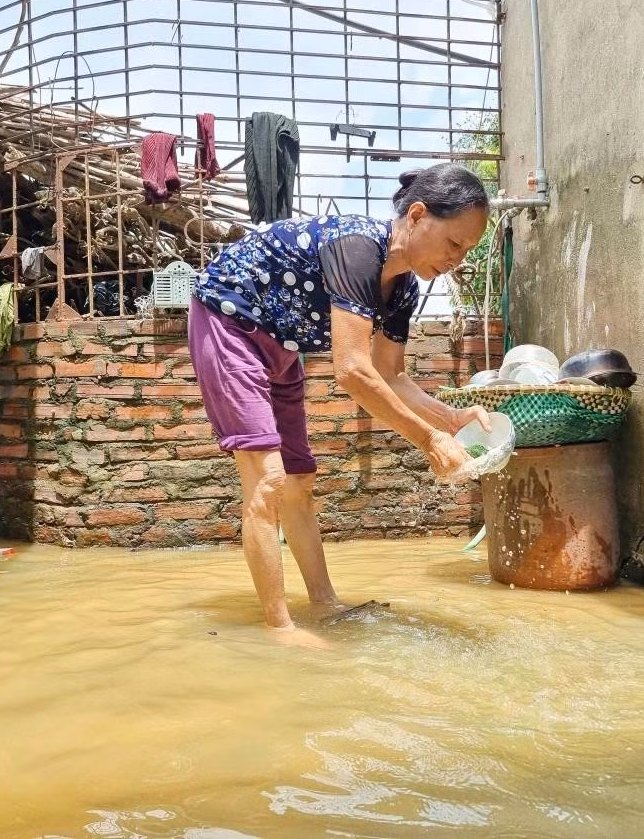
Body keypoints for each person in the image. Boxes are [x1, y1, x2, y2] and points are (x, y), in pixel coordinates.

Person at [188, 162, 492, 642]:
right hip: (229, 322)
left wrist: (451, 418)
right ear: (416, 216)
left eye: (467, 251)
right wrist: (429, 439)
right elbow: (352, 371)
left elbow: (392, 374)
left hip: (282, 347)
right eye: (454, 243)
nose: (457, 259)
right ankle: (279, 627)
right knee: (267, 480)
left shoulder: (404, 288)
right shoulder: (356, 246)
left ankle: (325, 603)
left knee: (299, 479)